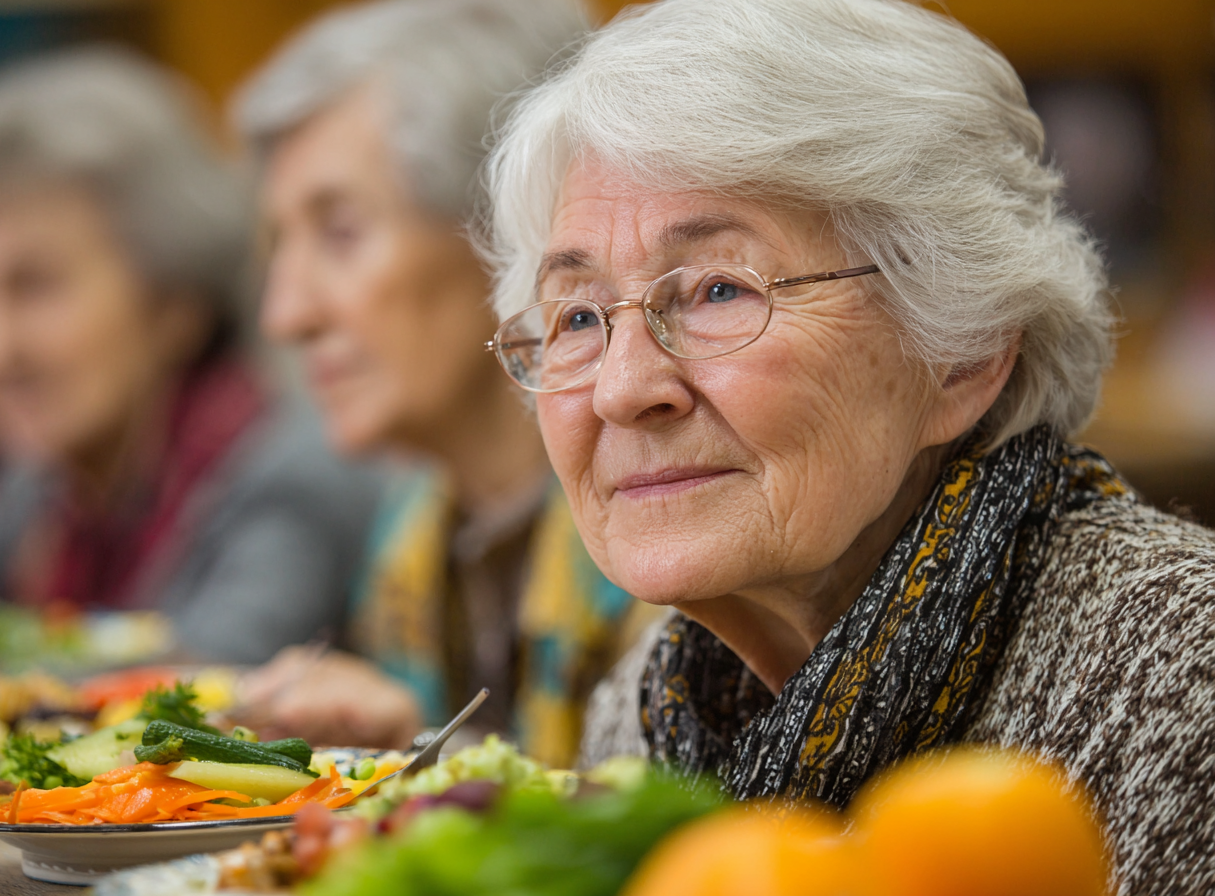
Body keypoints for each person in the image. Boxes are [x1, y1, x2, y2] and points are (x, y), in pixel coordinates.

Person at [480, 0, 1215, 892]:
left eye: (719, 290)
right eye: (579, 316)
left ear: (962, 352)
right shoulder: (648, 708)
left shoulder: (1178, 680)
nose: (624, 388)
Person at [231, 0, 658, 766]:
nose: (285, 314)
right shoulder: (410, 531)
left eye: (340, 232)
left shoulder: (662, 512)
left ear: (507, 227)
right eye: (277, 248)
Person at [0, 48, 383, 665]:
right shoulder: (43, 488)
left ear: (174, 300)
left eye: (35, 286)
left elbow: (200, 698)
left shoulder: (288, 478)